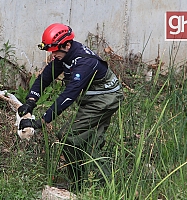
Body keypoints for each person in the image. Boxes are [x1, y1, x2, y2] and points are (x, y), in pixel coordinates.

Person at [18, 23, 124, 190]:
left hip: (105, 100)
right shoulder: (65, 55)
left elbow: (68, 95)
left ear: (67, 45)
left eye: (55, 51)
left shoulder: (84, 62)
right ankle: (95, 185)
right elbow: (45, 78)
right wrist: (30, 101)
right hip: (94, 99)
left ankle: (79, 184)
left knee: (68, 136)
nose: (52, 55)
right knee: (90, 142)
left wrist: (42, 122)